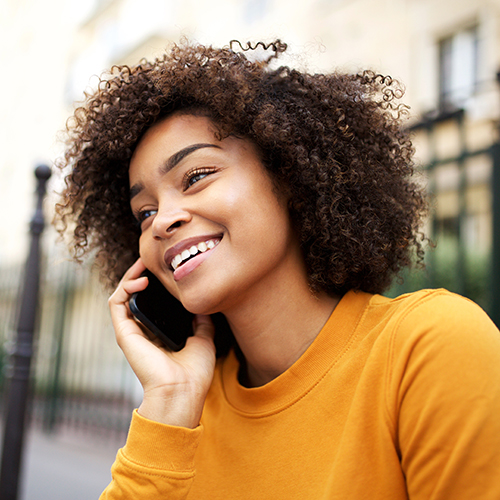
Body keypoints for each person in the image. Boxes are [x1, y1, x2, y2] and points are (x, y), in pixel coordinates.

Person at [54, 40, 500, 499]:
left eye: (196, 176)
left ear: (288, 175)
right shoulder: (184, 413)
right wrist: (170, 403)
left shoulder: (429, 347)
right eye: (144, 213)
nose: (162, 221)